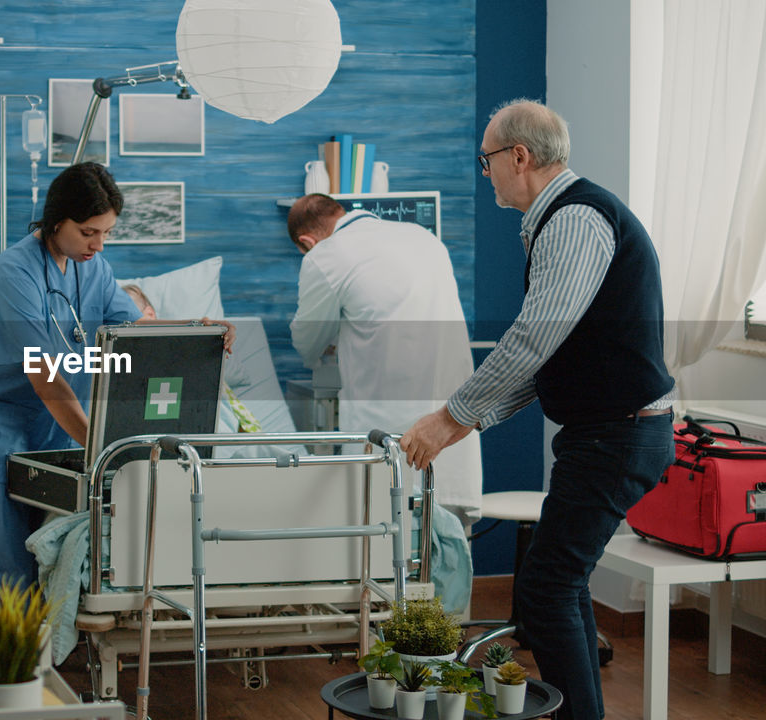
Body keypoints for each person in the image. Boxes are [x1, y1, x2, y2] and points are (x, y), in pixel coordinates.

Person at [397, 100, 676, 720]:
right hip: (608, 434)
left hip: (617, 436)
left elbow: (532, 339)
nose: (486, 171)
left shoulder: (575, 219)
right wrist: (468, 420)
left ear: (518, 156)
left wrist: (452, 418)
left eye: (487, 159)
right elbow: (550, 357)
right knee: (559, 584)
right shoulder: (563, 219)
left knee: (546, 590)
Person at [0, 163, 144, 589]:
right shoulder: (13, 273)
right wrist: (100, 446)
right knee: (6, 585)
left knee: (48, 573)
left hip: (51, 437)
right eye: (89, 232)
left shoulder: (94, 270)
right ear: (56, 220)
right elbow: (45, 378)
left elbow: (135, 332)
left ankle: (46, 659)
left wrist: (201, 329)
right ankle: (10, 660)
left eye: (106, 233)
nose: (99, 245)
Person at [286, 193, 483, 522]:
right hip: (453, 418)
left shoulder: (325, 256)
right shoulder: (423, 237)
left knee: (385, 547)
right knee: (447, 548)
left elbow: (307, 344)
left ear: (307, 241)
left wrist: (336, 335)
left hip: (392, 424)